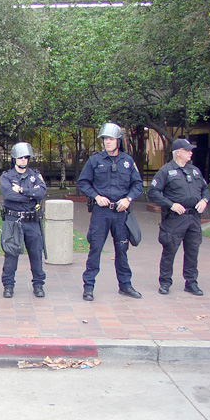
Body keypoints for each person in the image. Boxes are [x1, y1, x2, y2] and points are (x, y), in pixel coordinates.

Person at [77, 122, 143, 301]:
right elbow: (82, 182)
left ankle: (125, 285)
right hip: (101, 213)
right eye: (105, 139)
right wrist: (96, 196)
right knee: (95, 249)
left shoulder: (128, 161)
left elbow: (137, 185)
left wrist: (128, 199)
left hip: (121, 213)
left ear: (118, 141)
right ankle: (88, 287)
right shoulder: (95, 160)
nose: (107, 142)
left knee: (122, 251)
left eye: (111, 139)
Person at [147, 138, 210, 296]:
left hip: (193, 217)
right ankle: (165, 282)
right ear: (178, 153)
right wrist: (170, 204)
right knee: (170, 250)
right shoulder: (166, 171)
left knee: (192, 251)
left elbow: (205, 189)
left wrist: (204, 200)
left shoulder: (194, 170)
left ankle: (191, 282)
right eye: (187, 150)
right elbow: (153, 192)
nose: (191, 153)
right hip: (175, 218)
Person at [0, 142, 47, 298]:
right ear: (14, 158)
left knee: (36, 254)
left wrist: (22, 190)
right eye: (20, 157)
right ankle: (8, 285)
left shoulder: (35, 175)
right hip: (13, 220)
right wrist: (30, 195)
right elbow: (8, 196)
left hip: (32, 221)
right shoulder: (6, 176)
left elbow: (41, 192)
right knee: (11, 255)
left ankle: (38, 285)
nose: (23, 160)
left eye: (26, 157)